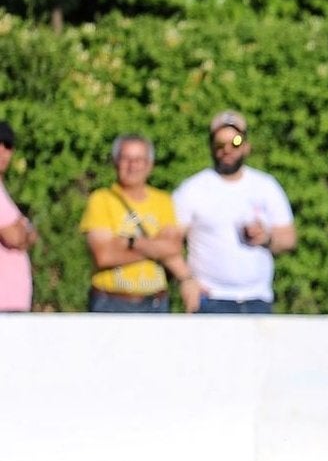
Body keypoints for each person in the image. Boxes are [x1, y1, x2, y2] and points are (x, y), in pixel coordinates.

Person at [173, 111, 297, 313]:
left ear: (246, 146)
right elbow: (170, 242)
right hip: (210, 299)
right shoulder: (193, 189)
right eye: (219, 144)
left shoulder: (265, 185)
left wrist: (266, 237)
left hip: (258, 299)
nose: (227, 150)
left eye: (235, 142)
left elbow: (289, 238)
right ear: (211, 147)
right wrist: (186, 279)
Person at [79, 134, 197, 312]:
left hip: (155, 302)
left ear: (149, 165)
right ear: (116, 162)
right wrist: (156, 248)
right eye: (126, 158)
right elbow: (103, 256)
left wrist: (131, 243)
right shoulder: (101, 200)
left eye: (139, 159)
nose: (132, 165)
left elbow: (173, 247)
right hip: (111, 300)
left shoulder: (163, 201)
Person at [0, 120, 38, 312]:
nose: (3, 151)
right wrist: (24, 229)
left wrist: (24, 229)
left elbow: (27, 233)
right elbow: (14, 236)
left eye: (8, 145)